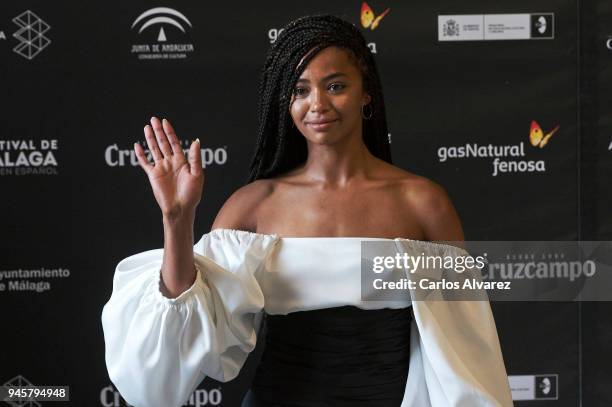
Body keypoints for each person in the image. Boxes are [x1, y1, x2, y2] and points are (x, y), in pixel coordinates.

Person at [101, 15, 513, 407]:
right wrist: (177, 219)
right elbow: (182, 343)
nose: (317, 104)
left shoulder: (422, 203)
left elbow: (464, 353)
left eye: (335, 86)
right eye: (300, 90)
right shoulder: (254, 206)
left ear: (365, 91)